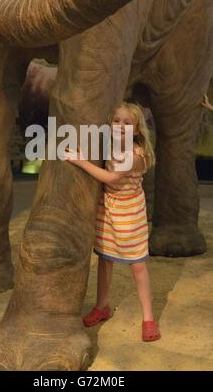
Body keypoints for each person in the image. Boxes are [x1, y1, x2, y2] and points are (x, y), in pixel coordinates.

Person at [64, 102, 160, 342]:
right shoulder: (111, 145)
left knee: (137, 265)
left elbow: (111, 178)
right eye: (116, 121)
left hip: (130, 213)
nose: (120, 126)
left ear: (136, 130)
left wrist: (79, 161)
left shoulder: (136, 155)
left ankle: (148, 318)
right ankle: (101, 307)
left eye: (127, 123)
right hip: (108, 210)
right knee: (105, 259)